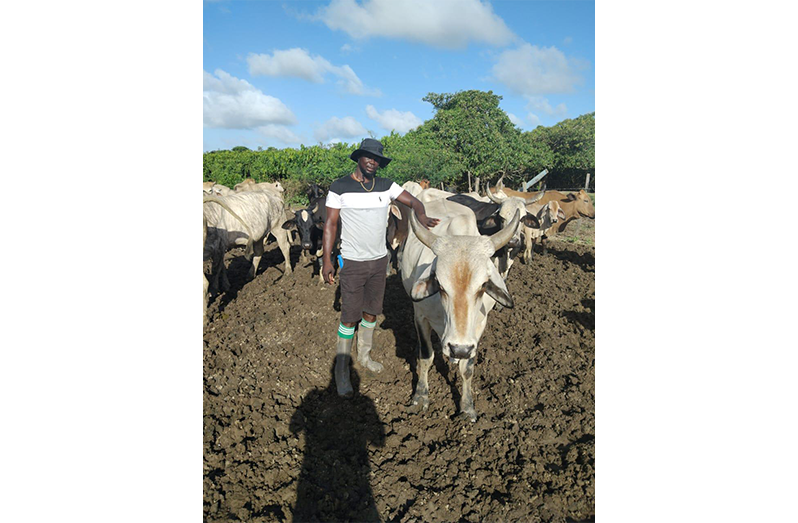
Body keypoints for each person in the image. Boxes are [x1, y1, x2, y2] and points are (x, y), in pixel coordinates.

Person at [322, 138, 440, 398]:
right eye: (369, 157)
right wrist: (327, 260)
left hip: (379, 262)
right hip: (352, 261)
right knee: (349, 317)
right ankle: (342, 371)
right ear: (359, 158)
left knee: (372, 312)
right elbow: (330, 225)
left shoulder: (386, 186)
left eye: (377, 159)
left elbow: (416, 203)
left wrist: (421, 216)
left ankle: (364, 356)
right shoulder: (340, 187)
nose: (373, 162)